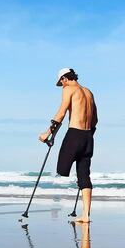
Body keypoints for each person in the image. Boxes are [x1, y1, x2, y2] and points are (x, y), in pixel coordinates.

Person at [39, 68, 98, 223]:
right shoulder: (89, 92)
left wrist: (47, 134)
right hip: (88, 137)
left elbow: (61, 114)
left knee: (62, 169)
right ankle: (86, 215)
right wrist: (89, 135)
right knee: (84, 174)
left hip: (74, 134)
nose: (62, 85)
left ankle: (66, 198)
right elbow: (95, 120)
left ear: (65, 78)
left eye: (61, 82)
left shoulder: (69, 90)